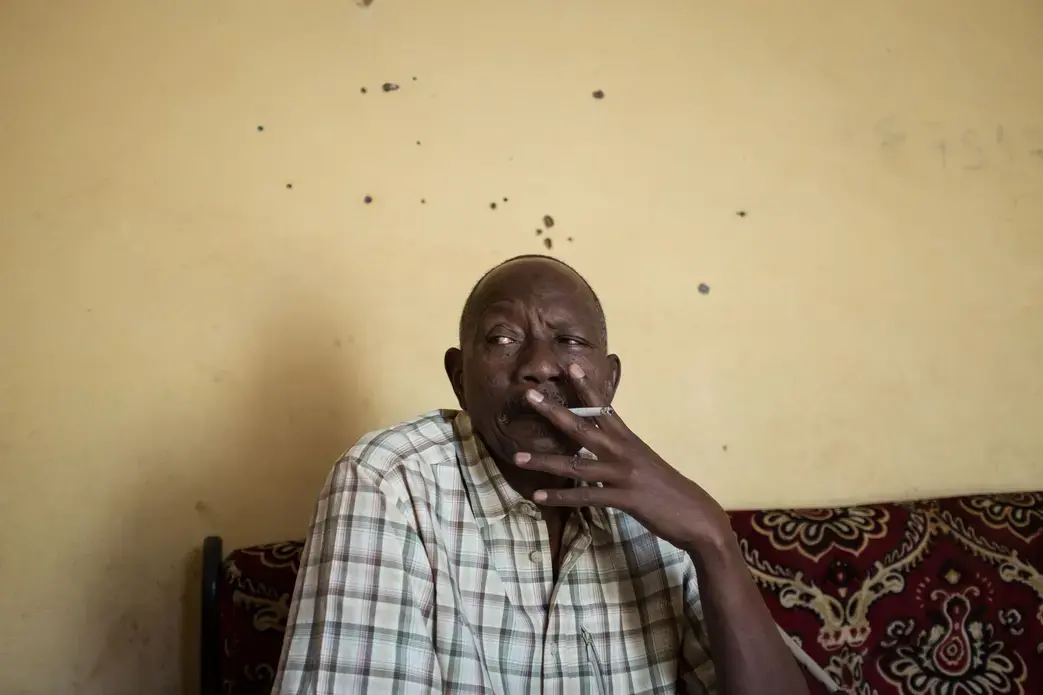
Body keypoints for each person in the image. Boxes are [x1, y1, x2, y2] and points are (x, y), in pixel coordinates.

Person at [271, 255, 809, 694]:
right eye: (503, 339)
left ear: (610, 381)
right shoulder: (390, 483)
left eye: (570, 341)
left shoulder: (654, 503)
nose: (541, 365)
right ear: (459, 379)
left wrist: (714, 539)